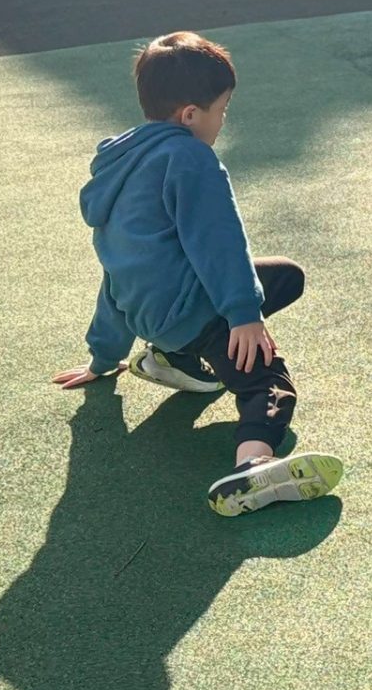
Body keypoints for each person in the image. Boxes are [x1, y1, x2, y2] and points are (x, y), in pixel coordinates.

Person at [51, 32, 345, 517]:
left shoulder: (121, 166)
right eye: (222, 110)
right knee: (268, 384)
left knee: (285, 277)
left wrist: (103, 358)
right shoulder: (190, 158)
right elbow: (218, 242)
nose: (223, 120)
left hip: (152, 314)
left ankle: (170, 359)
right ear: (190, 115)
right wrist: (243, 316)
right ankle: (253, 465)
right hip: (196, 313)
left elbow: (119, 274)